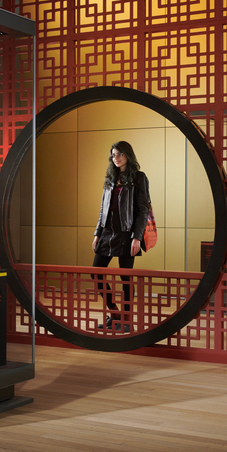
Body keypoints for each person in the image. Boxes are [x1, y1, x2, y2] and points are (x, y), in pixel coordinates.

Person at [92, 141, 150, 333]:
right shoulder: (110, 177)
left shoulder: (139, 178)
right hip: (108, 231)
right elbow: (102, 208)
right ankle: (115, 313)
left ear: (128, 155)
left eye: (120, 154)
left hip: (127, 232)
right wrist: (97, 233)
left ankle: (126, 320)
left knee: (126, 278)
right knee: (95, 271)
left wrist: (137, 237)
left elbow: (143, 210)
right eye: (114, 155)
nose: (116, 158)